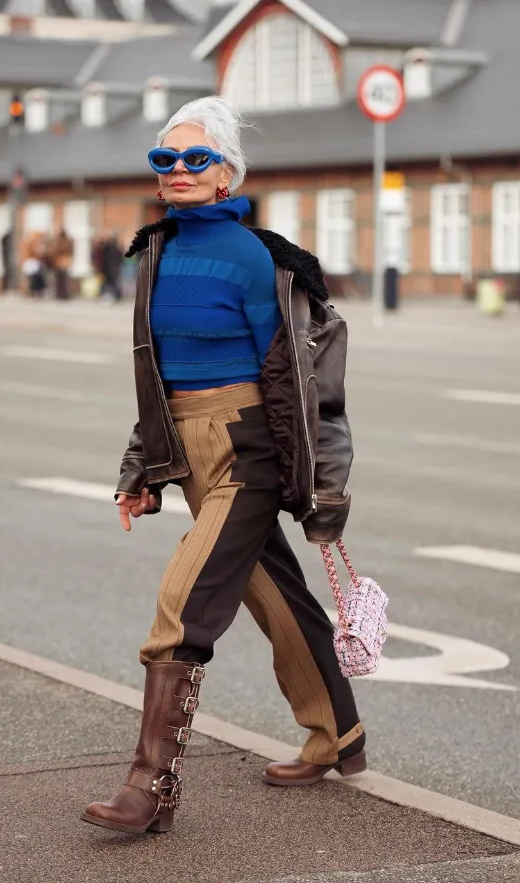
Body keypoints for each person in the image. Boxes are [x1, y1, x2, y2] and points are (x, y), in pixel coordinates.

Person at [81, 96, 364, 836]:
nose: (178, 170)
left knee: (181, 608)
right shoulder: (155, 253)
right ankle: (338, 733)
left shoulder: (261, 262)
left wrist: (321, 486)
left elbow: (308, 386)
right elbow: (156, 373)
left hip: (247, 450)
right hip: (188, 442)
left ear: (228, 175)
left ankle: (151, 788)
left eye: (195, 158)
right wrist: (140, 468)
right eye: (164, 158)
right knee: (273, 595)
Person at [48, 228, 75, 300]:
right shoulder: (61, 241)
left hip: (63, 262)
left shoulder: (64, 241)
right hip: (59, 262)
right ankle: (60, 293)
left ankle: (64, 294)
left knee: (63, 279)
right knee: (59, 279)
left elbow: (59, 249)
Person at [100, 232, 124, 301]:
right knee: (114, 282)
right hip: (113, 268)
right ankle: (115, 295)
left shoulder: (108, 249)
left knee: (111, 282)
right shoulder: (115, 249)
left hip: (110, 268)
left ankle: (111, 294)